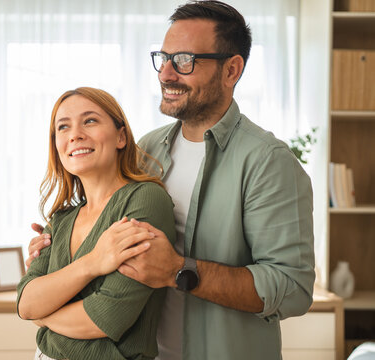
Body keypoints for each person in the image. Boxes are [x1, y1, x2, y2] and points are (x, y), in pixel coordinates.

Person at [27, 1, 316, 360]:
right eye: (163, 58)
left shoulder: (268, 162)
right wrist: (58, 248)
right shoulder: (147, 151)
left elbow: (292, 289)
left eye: (184, 60)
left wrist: (179, 271)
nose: (165, 73)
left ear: (232, 70)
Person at [16, 87, 177, 360]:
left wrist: (43, 313)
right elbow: (26, 303)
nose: (75, 134)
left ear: (121, 137)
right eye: (63, 127)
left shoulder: (145, 199)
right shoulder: (60, 220)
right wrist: (95, 261)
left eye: (89, 120)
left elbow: (107, 317)